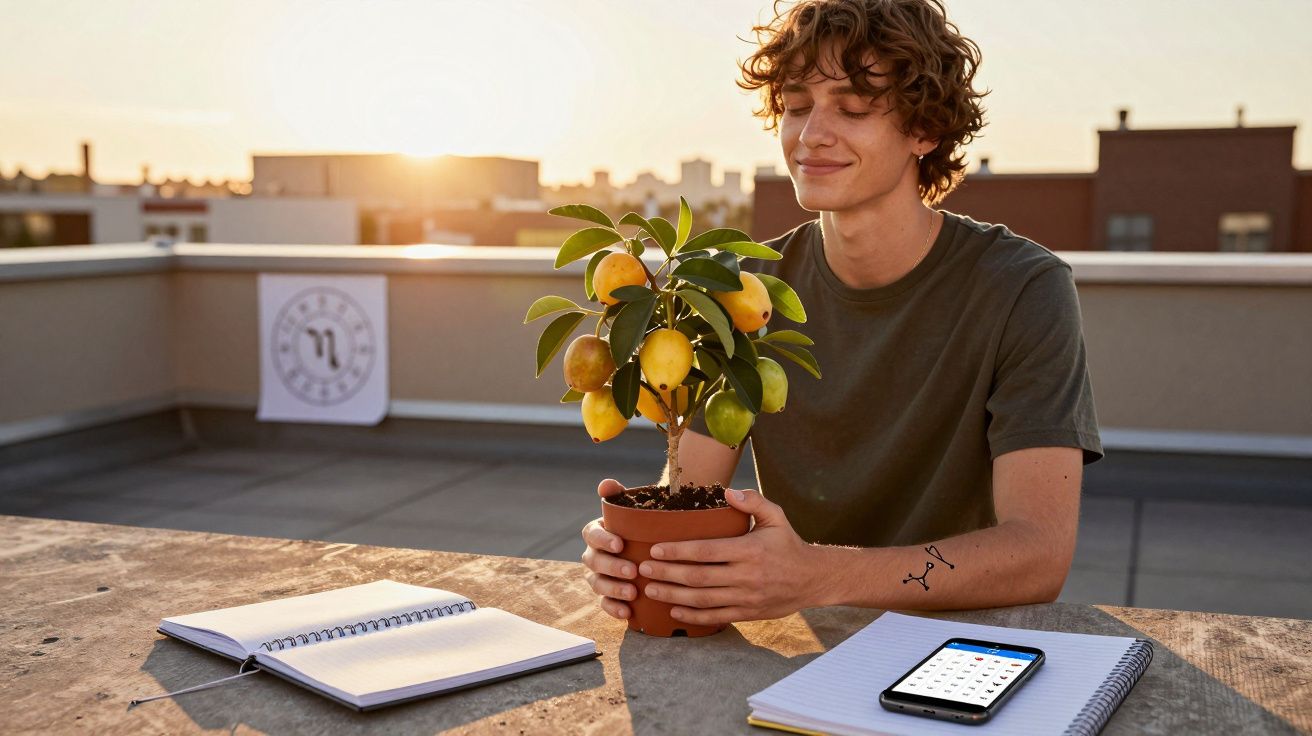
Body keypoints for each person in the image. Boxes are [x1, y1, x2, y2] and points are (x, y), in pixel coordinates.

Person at [581, 0, 1103, 627]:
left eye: (853, 109)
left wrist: (818, 575)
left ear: (925, 130)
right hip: (810, 641)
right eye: (797, 106)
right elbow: (692, 487)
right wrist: (638, 553)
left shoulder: (1022, 287)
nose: (811, 135)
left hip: (965, 644)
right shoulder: (746, 290)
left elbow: (1038, 554)